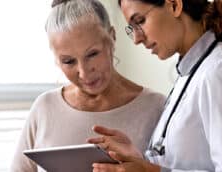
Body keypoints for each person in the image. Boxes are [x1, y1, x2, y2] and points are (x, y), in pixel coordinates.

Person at [87, 0, 222, 171]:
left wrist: (150, 171)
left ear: (175, 5)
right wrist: (139, 159)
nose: (137, 38)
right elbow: (186, 162)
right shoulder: (192, 72)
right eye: (132, 28)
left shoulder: (220, 74)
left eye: (140, 21)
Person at [10, 0, 166, 171]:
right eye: (68, 61)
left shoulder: (156, 107)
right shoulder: (44, 108)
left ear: (112, 37)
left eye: (92, 54)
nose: (84, 73)